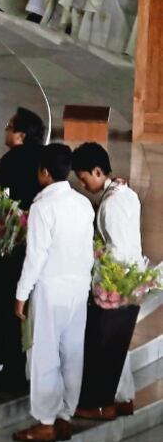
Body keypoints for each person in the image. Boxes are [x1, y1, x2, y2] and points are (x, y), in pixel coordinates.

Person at [12, 144, 94, 442]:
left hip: (49, 289)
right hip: (77, 288)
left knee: (43, 355)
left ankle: (45, 423)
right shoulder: (83, 204)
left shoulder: (42, 207)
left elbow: (35, 256)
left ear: (44, 172)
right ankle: (64, 417)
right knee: (72, 354)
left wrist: (22, 293)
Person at [0, 106, 45, 396]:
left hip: (9, 249)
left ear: (20, 135)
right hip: (28, 247)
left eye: (8, 126)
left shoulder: (14, 161)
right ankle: (14, 370)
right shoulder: (39, 161)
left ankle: (12, 373)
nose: (4, 130)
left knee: (6, 311)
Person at [71, 142, 143, 419]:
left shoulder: (112, 203)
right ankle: (124, 398)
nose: (82, 183)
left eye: (84, 177)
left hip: (115, 283)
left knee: (106, 345)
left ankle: (100, 404)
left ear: (98, 171)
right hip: (130, 281)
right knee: (117, 344)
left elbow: (117, 250)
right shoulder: (126, 194)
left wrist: (94, 263)